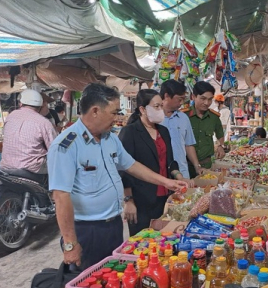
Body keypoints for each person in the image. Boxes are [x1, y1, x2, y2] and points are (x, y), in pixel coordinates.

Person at [48, 83, 187, 270]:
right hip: (87, 230)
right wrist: (70, 244)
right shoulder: (67, 145)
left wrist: (167, 182)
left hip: (113, 224)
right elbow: (61, 196)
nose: (117, 117)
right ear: (95, 111)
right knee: (90, 277)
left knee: (114, 274)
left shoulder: (110, 138)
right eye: (114, 112)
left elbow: (132, 165)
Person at [118, 89, 194, 236]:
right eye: (156, 107)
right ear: (142, 109)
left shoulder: (163, 131)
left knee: (165, 238)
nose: (160, 110)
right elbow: (125, 169)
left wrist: (180, 178)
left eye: (161, 106)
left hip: (165, 197)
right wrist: (128, 200)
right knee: (143, 242)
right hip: (141, 199)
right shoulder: (130, 132)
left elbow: (171, 162)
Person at [0, 89, 57, 184]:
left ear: (20, 103)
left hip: (6, 167)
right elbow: (55, 148)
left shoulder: (11, 116)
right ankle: (48, 196)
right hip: (32, 169)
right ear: (40, 106)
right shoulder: (43, 122)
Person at [160, 80, 203, 179]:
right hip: (161, 174)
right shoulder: (155, 118)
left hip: (182, 172)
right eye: (179, 99)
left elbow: (189, 145)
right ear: (166, 96)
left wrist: (197, 166)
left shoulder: (183, 118)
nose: (181, 103)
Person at [184, 81, 225, 177]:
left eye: (210, 99)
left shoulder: (214, 117)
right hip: (186, 167)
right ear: (193, 97)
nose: (207, 103)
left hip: (207, 166)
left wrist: (220, 146)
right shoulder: (184, 116)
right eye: (203, 99)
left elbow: (220, 134)